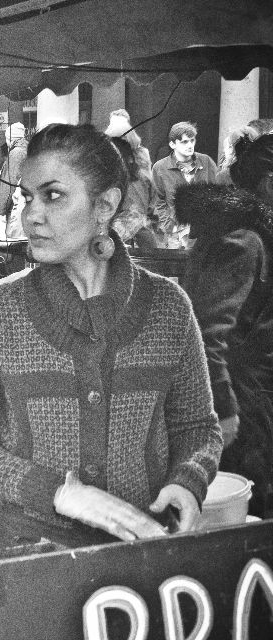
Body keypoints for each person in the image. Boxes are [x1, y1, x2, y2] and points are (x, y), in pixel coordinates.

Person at [0, 123, 222, 550]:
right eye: (27, 196)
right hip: (19, 548)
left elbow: (197, 426)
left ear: (104, 204)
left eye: (53, 195)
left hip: (133, 551)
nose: (31, 214)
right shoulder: (2, 313)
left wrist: (188, 480)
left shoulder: (167, 308)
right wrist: (58, 492)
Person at [175, 132, 273, 519]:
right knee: (247, 506)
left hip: (255, 392)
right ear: (269, 181)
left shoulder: (256, 233)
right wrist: (222, 407)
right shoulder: (242, 239)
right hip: (241, 401)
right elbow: (205, 330)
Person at [151, 121, 218, 248]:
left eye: (192, 140)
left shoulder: (206, 162)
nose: (190, 145)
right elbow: (157, 201)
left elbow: (217, 193)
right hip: (175, 233)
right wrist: (170, 227)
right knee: (176, 265)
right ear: (172, 144)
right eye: (184, 142)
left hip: (204, 232)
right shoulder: (160, 168)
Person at [108, 136, 156, 249]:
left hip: (133, 232)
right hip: (143, 233)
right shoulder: (141, 176)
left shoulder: (129, 180)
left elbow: (133, 215)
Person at [105, 109, 152, 180]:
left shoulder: (142, 153)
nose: (118, 129)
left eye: (122, 125)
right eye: (113, 125)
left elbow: (148, 180)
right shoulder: (104, 153)